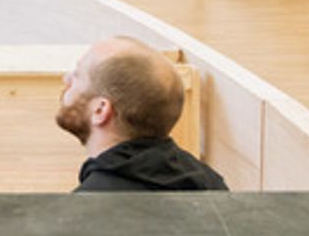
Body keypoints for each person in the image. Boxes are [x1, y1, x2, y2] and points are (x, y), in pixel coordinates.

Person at [55, 36, 228, 192]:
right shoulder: (212, 184)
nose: (66, 79)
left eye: (77, 75)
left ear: (100, 110)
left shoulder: (82, 211)